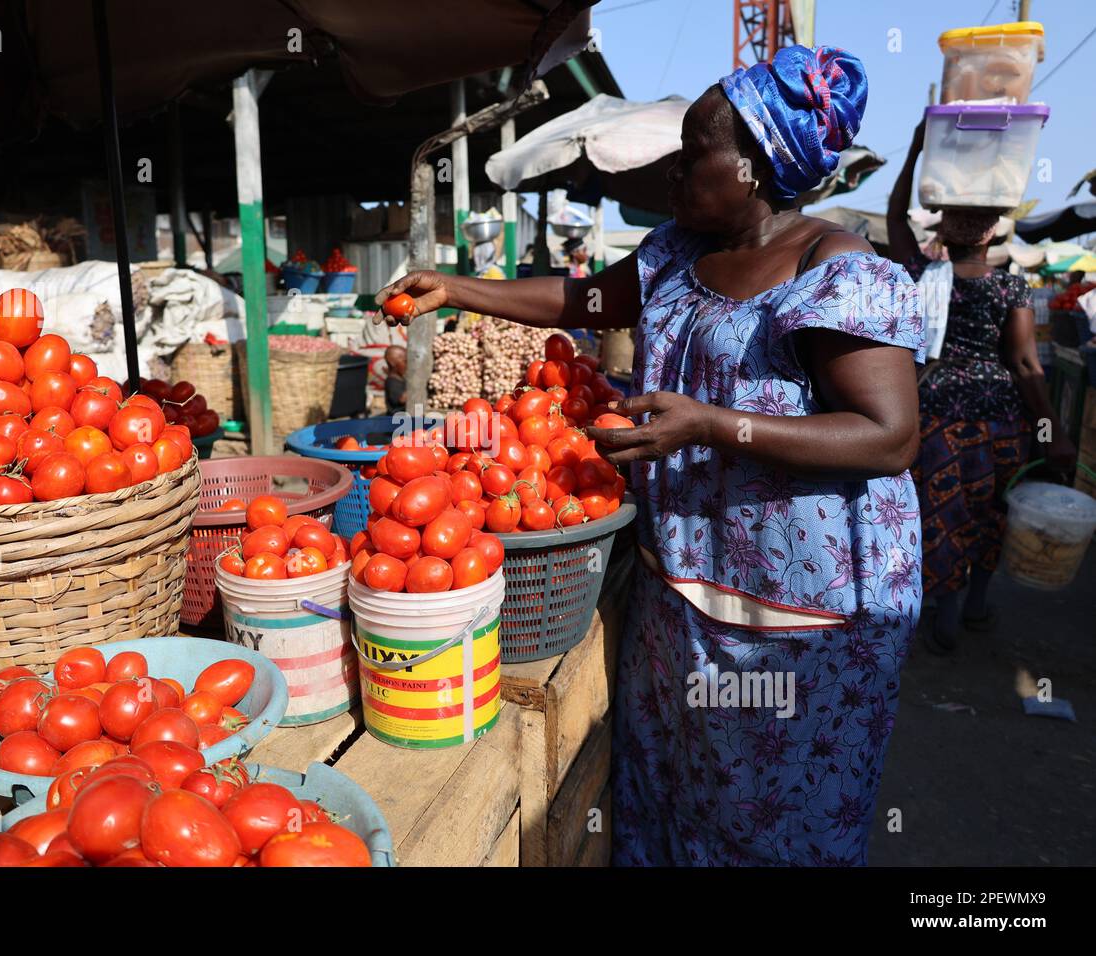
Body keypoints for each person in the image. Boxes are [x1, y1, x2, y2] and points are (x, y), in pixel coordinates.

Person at [377, 45, 924, 866]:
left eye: (694, 148)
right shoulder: (677, 252)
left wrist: (710, 425)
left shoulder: (837, 268)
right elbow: (583, 298)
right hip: (685, 585)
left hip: (805, 603)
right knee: (679, 781)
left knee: (777, 812)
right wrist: (457, 289)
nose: (674, 167)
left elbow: (888, 436)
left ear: (753, 167)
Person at [887, 120, 1076, 653]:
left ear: (941, 229)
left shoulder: (920, 274)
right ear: (993, 233)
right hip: (999, 418)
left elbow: (896, 215)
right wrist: (1051, 433)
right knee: (994, 509)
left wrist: (918, 146)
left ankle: (942, 617)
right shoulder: (1010, 285)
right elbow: (1026, 368)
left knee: (939, 514)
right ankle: (974, 606)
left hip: (936, 413)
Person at [382, 344, 407, 413]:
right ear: (392, 363)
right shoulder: (392, 382)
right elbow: (402, 399)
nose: (407, 365)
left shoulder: (401, 378)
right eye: (405, 361)